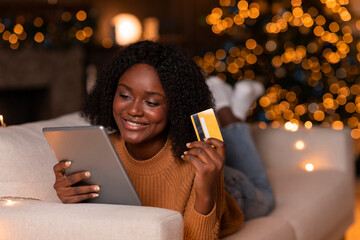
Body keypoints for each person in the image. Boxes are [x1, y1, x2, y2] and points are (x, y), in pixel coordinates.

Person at [52, 40, 273, 239]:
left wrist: (206, 188)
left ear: (175, 108)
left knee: (266, 197)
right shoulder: (99, 150)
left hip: (230, 188)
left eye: (152, 102)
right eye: (125, 96)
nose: (133, 110)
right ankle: (227, 105)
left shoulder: (194, 164)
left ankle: (229, 115)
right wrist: (70, 196)